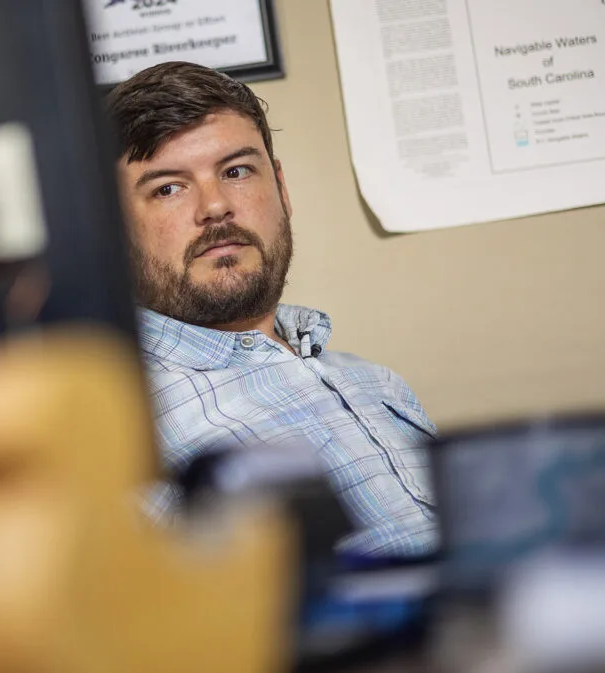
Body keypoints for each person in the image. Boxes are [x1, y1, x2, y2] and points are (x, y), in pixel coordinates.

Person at [106, 62, 437, 557]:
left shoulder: (379, 384)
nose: (215, 206)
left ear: (280, 188)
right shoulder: (126, 432)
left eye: (236, 171)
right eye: (168, 187)